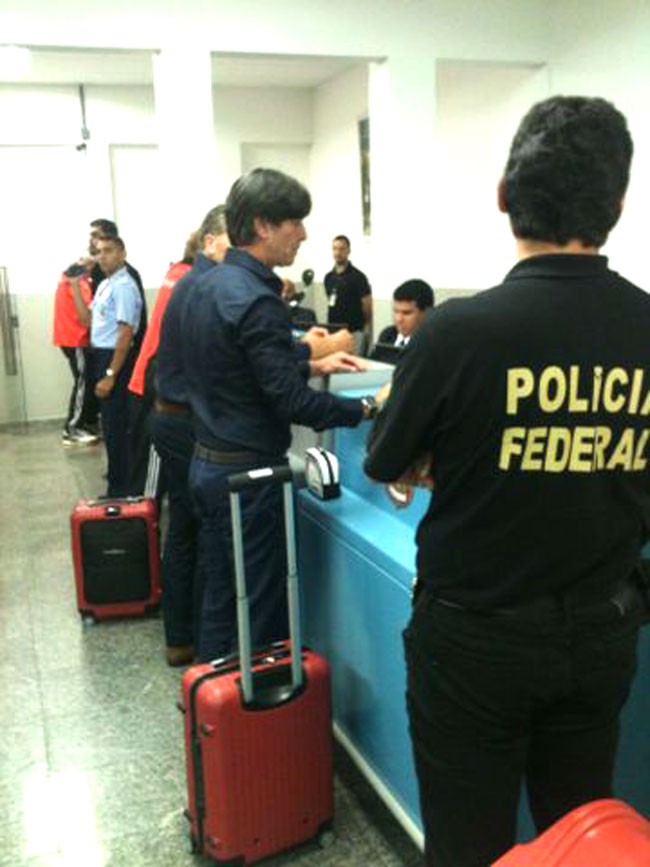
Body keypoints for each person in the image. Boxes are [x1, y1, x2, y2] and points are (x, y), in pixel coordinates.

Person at [364, 96, 650, 867]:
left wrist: (447, 454)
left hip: (474, 639)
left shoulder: (456, 332)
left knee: (465, 842)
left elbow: (386, 460)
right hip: (600, 630)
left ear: (503, 195)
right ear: (618, 205)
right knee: (579, 843)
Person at [182, 168, 379, 664]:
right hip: (247, 479)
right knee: (260, 609)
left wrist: (310, 361)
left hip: (206, 463)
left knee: (222, 598)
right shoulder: (257, 299)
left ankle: (210, 714)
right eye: (295, 221)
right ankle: (253, 721)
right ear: (265, 226)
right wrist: (368, 407)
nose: (305, 234)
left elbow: (234, 364)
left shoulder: (206, 285)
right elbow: (294, 404)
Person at [150, 206, 230, 667]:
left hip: (172, 416)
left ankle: (182, 637)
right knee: (198, 532)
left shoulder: (191, 282)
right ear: (210, 242)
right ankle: (198, 641)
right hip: (184, 422)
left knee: (184, 527)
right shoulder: (202, 287)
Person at [126, 232, 199, 497]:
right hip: (158, 381)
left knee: (153, 471)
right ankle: (143, 532)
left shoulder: (177, 272)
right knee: (150, 478)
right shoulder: (187, 279)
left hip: (150, 374)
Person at [71, 236, 142, 498]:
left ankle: (122, 490)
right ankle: (116, 484)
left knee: (117, 430)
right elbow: (86, 319)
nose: (102, 257)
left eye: (108, 251)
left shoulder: (124, 286)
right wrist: (75, 286)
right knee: (110, 429)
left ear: (122, 253)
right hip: (102, 356)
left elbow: (125, 334)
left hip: (116, 360)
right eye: (98, 252)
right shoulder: (105, 285)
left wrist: (111, 375)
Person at [52, 261, 100, 445]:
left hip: (67, 338)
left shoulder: (66, 280)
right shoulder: (78, 284)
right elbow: (86, 317)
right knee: (82, 382)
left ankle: (82, 422)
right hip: (76, 339)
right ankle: (72, 428)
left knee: (84, 381)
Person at [324, 234, 372, 355]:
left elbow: (367, 305)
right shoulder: (328, 277)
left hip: (354, 331)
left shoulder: (358, 277)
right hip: (334, 332)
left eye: (341, 249)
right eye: (334, 248)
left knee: (353, 368)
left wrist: (364, 327)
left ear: (348, 251)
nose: (337, 252)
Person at [375, 279, 434, 349]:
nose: (398, 319)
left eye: (406, 313)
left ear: (427, 312)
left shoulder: (431, 344)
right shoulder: (387, 335)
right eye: (396, 311)